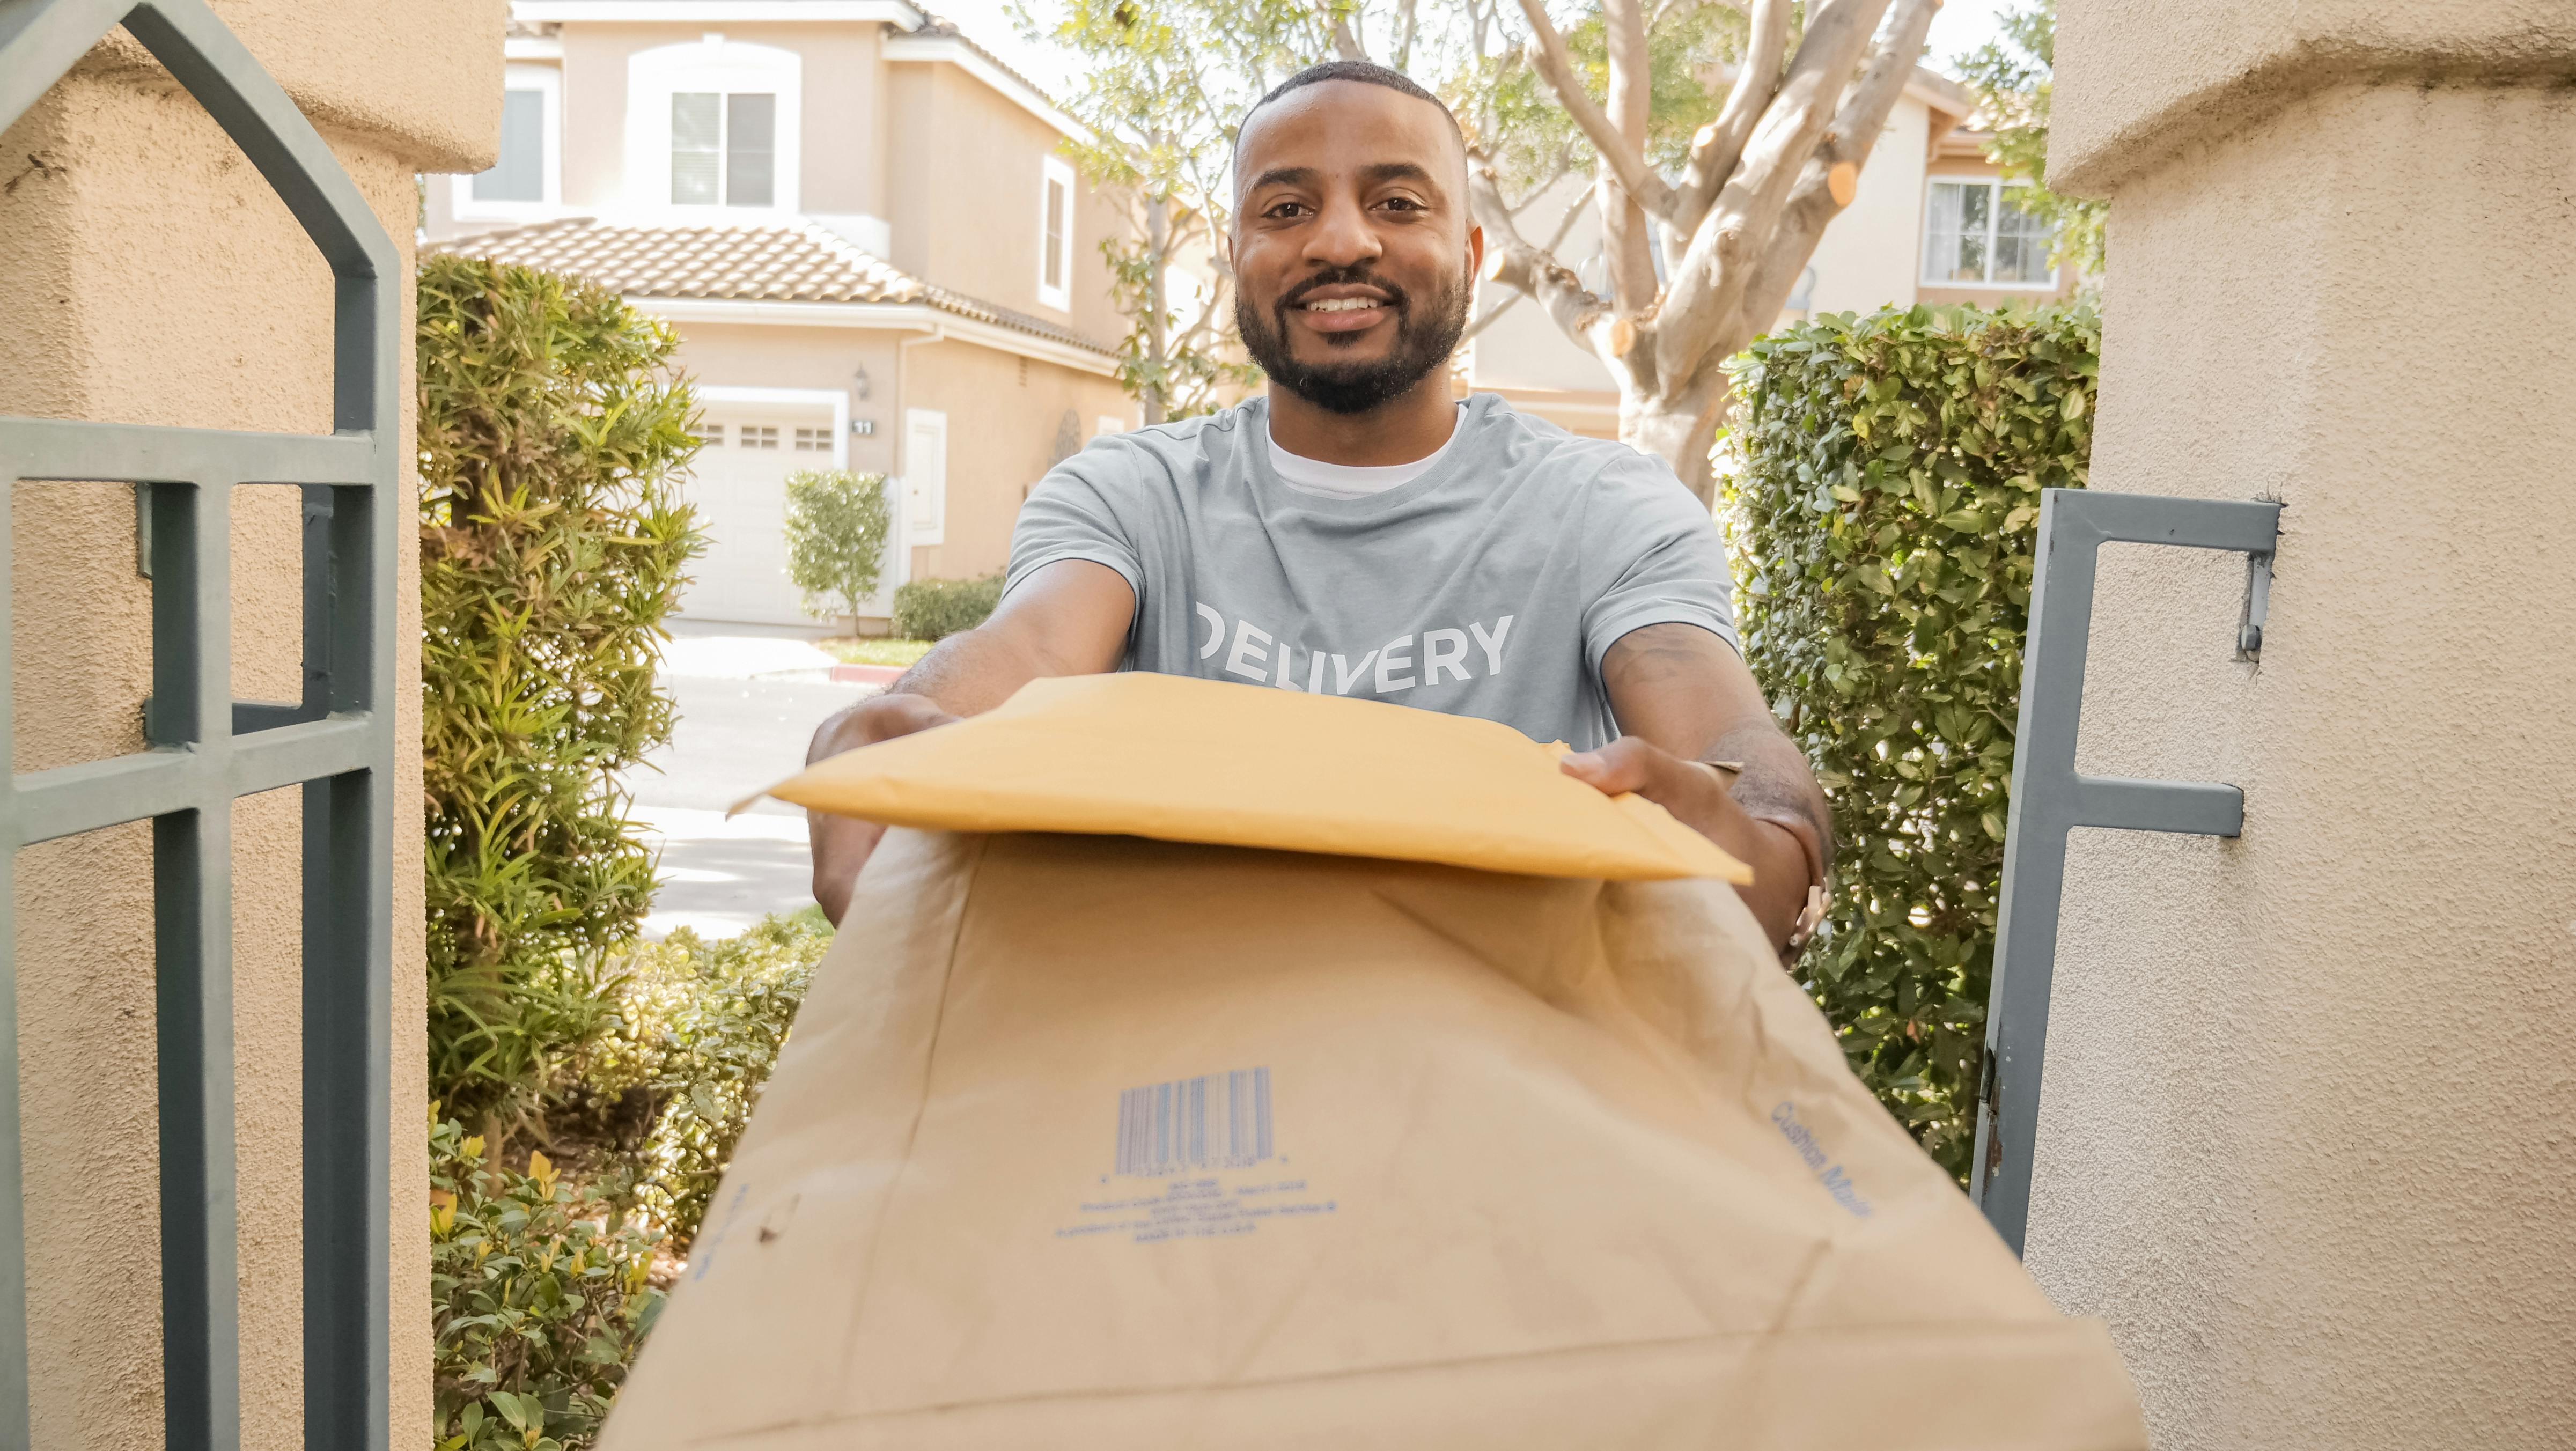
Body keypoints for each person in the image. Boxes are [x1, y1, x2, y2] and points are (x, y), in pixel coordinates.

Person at [808, 60, 1830, 953]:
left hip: (1510, 1068)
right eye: (1286, 209)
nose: (1341, 241)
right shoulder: (1131, 493)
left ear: (1472, 256)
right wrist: (908, 726)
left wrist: (1768, 836)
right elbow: (1030, 647)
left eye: (1398, 202)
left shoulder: (1604, 506)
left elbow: (1720, 727)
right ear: (1236, 259)